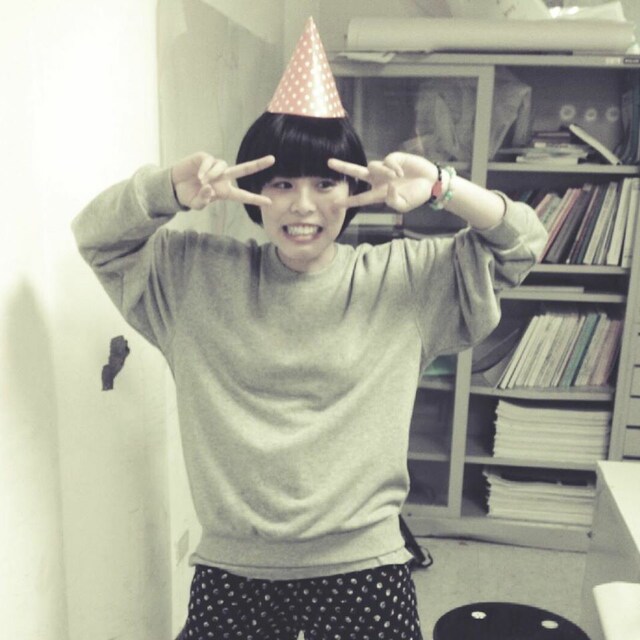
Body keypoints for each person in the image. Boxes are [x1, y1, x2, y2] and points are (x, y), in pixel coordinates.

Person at [72, 17, 547, 640]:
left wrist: (442, 186)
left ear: (352, 188)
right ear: (254, 191)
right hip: (233, 568)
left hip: (365, 567)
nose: (303, 205)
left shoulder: (402, 279)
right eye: (282, 184)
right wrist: (168, 190)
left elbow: (522, 244)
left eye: (325, 183)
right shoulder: (195, 275)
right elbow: (98, 237)